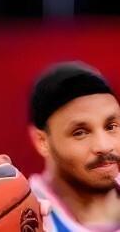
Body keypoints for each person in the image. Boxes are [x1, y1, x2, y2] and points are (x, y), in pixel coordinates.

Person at [28, 61, 120, 231]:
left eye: (111, 127)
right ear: (42, 141)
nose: (104, 146)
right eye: (80, 132)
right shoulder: (23, 217)